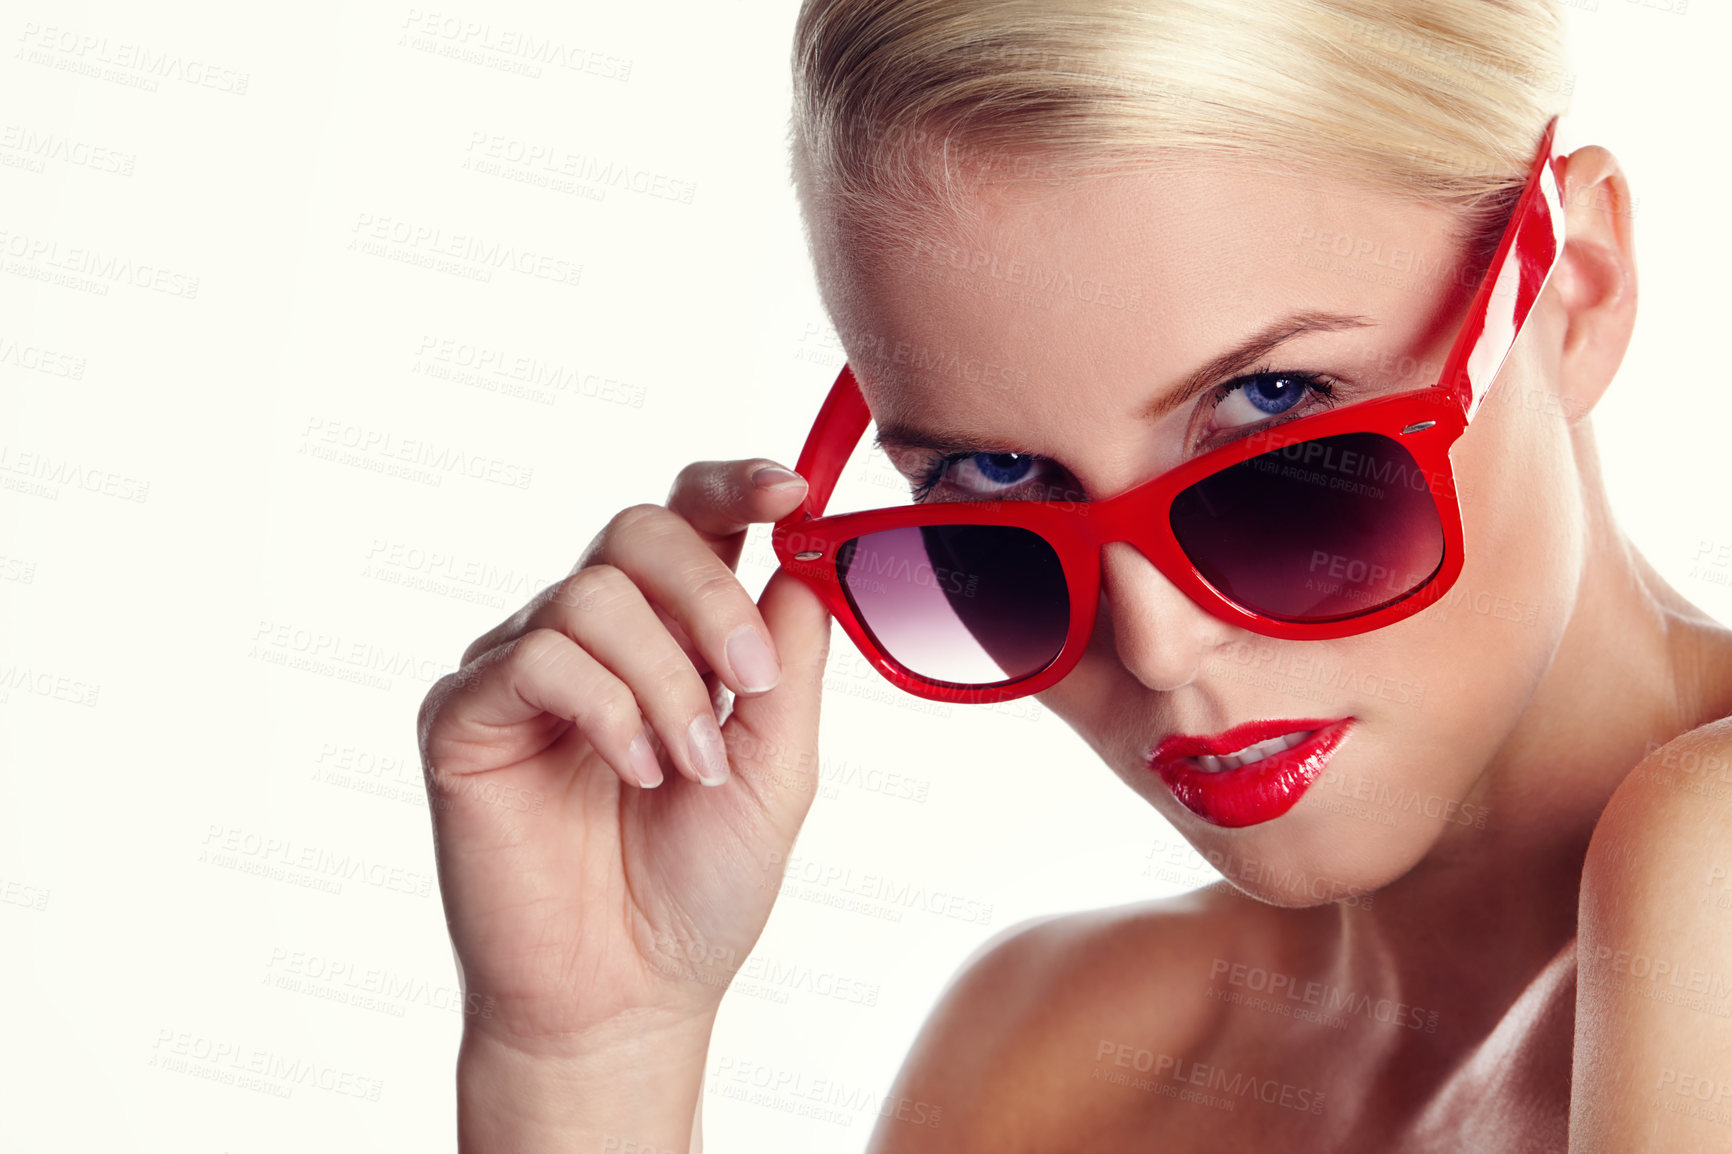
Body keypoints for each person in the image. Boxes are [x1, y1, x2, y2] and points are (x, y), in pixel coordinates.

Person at [415, 1, 1732, 1149]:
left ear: (1578, 288)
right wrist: (592, 1062)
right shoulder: (1042, 1060)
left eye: (1274, 412)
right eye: (997, 485)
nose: (1155, 642)